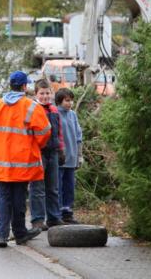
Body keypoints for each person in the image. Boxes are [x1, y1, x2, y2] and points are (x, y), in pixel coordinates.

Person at [0, 71, 52, 248]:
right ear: (24, 86)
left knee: (3, 199)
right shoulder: (31, 107)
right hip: (21, 164)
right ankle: (20, 233)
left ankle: (1, 236)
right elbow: (44, 133)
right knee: (18, 199)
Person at [29, 79, 66, 231]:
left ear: (52, 94)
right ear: (36, 94)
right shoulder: (34, 110)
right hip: (39, 153)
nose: (45, 96)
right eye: (41, 93)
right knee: (37, 187)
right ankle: (37, 219)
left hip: (53, 151)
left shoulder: (54, 110)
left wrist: (61, 149)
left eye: (47, 93)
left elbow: (59, 132)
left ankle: (54, 217)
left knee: (53, 187)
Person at [55, 88, 83, 224]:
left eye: (71, 100)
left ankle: (67, 213)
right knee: (58, 187)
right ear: (59, 100)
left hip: (72, 158)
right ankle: (57, 214)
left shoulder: (73, 115)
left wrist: (80, 155)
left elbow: (78, 136)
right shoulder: (55, 114)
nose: (70, 103)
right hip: (60, 159)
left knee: (69, 187)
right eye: (67, 100)